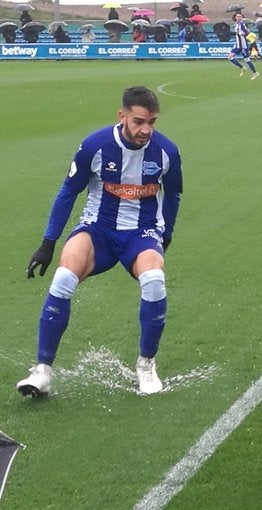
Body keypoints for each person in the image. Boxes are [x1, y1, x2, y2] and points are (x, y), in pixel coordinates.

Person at [18, 86, 183, 398]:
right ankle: (42, 370)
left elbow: (173, 194)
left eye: (152, 122)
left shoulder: (167, 152)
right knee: (64, 277)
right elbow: (68, 192)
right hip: (98, 230)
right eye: (138, 122)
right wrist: (48, 242)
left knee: (154, 280)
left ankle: (146, 364)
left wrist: (167, 233)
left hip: (141, 232)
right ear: (122, 117)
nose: (146, 129)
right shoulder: (95, 146)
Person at [228, 13, 259, 80]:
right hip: (237, 45)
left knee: (247, 60)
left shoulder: (242, 24)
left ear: (242, 18)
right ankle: (242, 68)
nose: (238, 18)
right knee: (230, 57)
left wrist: (244, 33)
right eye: (237, 16)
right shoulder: (236, 24)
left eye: (240, 16)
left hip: (243, 45)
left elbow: (246, 32)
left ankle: (255, 73)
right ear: (235, 17)